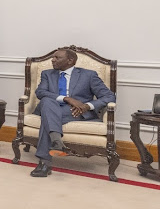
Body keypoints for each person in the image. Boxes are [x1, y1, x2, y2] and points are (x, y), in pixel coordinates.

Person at [30, 49, 115, 178]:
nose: (52, 60)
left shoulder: (89, 75)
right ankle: (56, 141)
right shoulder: (47, 74)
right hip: (51, 106)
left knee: (48, 118)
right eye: (53, 57)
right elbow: (40, 92)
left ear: (70, 60)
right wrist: (66, 98)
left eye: (57, 57)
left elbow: (109, 96)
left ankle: (45, 162)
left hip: (74, 112)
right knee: (47, 102)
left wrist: (88, 106)